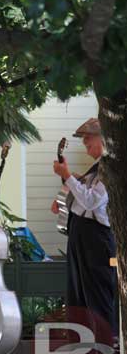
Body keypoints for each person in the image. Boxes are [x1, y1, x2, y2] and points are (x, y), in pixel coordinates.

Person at [51, 118, 117, 340]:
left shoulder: (113, 167)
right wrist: (71, 181)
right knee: (78, 295)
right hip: (82, 237)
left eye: (89, 142)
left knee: (97, 296)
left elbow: (91, 201)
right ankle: (85, 350)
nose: (86, 146)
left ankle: (105, 352)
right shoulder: (96, 169)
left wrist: (68, 176)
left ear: (103, 138)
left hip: (95, 240)